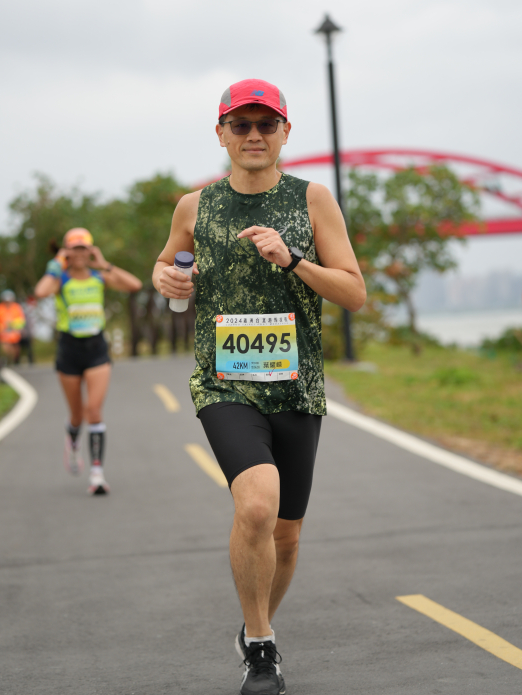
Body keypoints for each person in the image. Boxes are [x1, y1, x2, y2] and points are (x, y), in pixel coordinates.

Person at [153, 79, 366, 695]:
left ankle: (253, 627)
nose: (253, 135)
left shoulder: (312, 199)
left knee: (286, 534)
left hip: (297, 387)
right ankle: (263, 648)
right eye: (240, 125)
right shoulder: (195, 206)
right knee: (255, 504)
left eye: (265, 124)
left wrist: (293, 258)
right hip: (225, 384)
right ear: (221, 133)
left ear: (285, 132)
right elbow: (167, 263)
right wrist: (168, 279)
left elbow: (354, 292)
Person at [35, 228, 142, 495]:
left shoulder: (99, 276)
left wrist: (104, 263)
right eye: (74, 248)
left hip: (96, 350)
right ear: (67, 252)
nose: (80, 253)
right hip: (69, 351)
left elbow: (134, 285)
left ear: (90, 250)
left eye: (84, 248)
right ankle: (72, 441)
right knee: (77, 416)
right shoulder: (60, 279)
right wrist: (56, 264)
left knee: (93, 410)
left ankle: (97, 474)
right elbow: (41, 291)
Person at [0, 290, 26, 366]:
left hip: (15, 334)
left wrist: (15, 326)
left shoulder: (17, 307)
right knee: (6, 349)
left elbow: (21, 320)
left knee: (16, 351)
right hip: (3, 334)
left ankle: (14, 362)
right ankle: (7, 361)